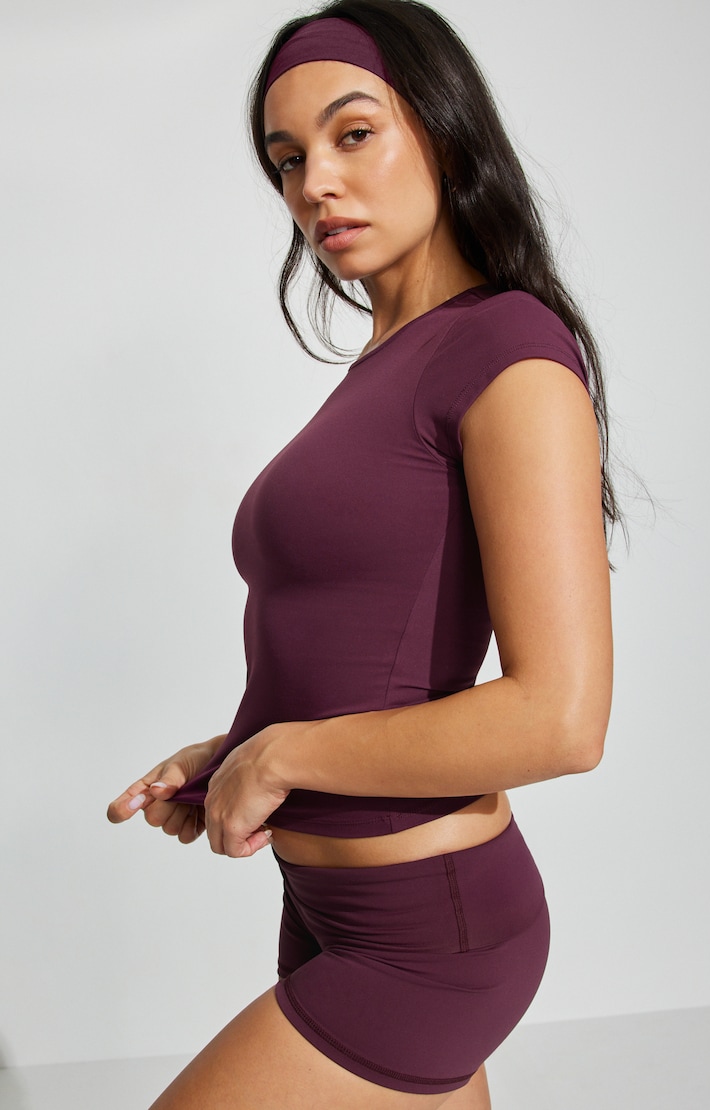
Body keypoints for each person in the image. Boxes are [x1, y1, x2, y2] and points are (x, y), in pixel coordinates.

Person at [107, 1, 616, 1106]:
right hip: (328, 912)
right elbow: (370, 660)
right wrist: (236, 750)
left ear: (443, 131)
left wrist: (283, 758)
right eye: (288, 159)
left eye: (352, 135)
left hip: (425, 937)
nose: (315, 186)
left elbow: (560, 717)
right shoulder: (392, 364)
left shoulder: (510, 351)